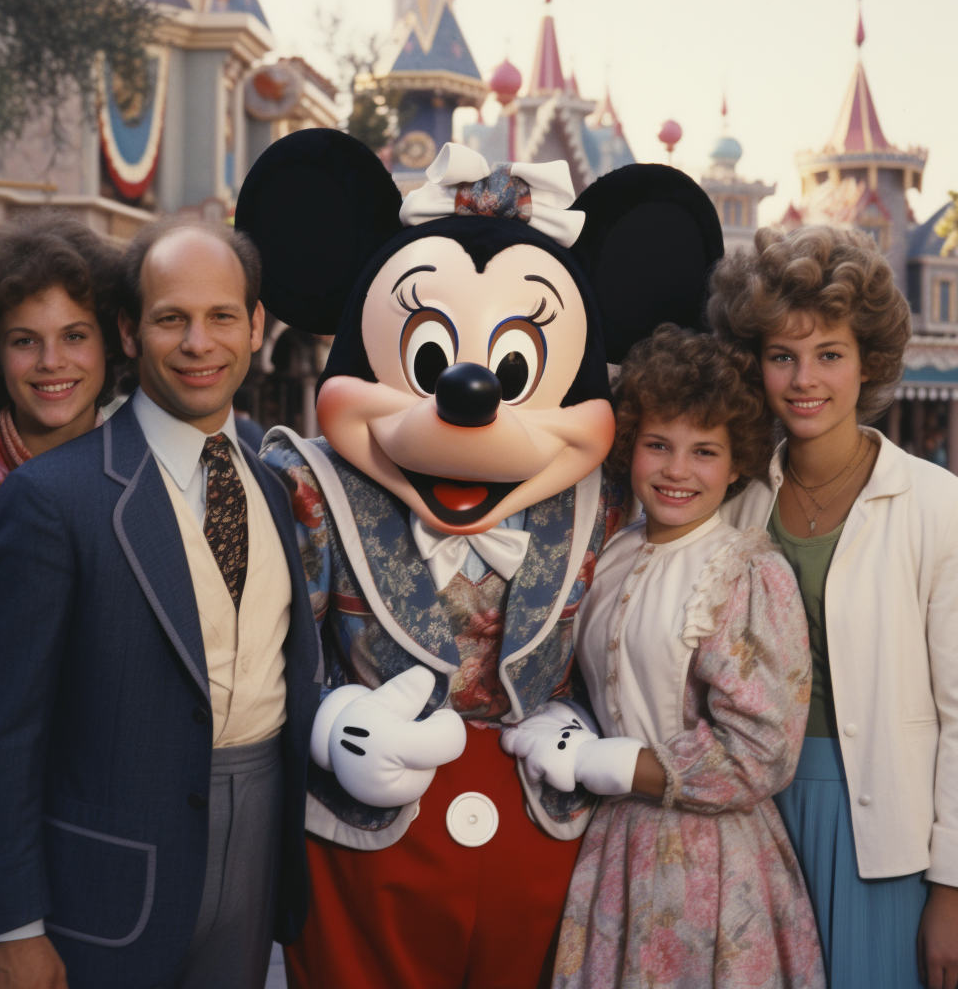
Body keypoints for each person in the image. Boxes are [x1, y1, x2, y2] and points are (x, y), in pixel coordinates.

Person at [236, 129, 726, 989]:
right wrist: (329, 723)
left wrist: (575, 717)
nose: (469, 394)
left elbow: (619, 639)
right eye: (430, 360)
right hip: (364, 841)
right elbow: (266, 658)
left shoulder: (604, 500)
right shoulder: (307, 488)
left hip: (542, 832)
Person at [0, 219, 321, 989]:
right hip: (105, 888)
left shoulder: (275, 489)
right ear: (129, 331)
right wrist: (12, 923)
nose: (198, 343)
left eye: (221, 316)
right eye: (170, 319)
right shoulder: (52, 497)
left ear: (255, 327)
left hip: (255, 864)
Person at [512, 325, 824, 989]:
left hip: (711, 865)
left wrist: (614, 762)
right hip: (613, 851)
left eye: (704, 451)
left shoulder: (743, 571)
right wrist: (567, 721)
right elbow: (599, 682)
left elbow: (762, 751)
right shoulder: (610, 553)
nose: (677, 470)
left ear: (737, 461)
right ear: (630, 447)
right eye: (658, 445)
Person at [711, 225, 958, 989]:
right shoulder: (735, 504)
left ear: (869, 363)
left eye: (829, 354)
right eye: (781, 355)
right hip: (754, 823)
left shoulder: (936, 505)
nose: (803, 378)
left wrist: (951, 889)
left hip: (888, 835)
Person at [0, 214, 123, 989]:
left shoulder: (153, 484)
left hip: (106, 834)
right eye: (25, 339)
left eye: (76, 335)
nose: (53, 363)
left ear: (112, 344)